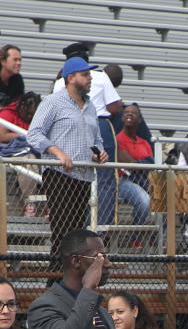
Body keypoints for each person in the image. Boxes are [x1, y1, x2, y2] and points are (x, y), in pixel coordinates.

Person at [26, 56, 107, 247]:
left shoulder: (91, 107)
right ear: (71, 77)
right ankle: (56, 276)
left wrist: (100, 153)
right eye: (85, 74)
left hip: (84, 176)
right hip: (59, 174)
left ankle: (69, 275)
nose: (90, 78)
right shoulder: (52, 102)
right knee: (62, 230)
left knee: (77, 232)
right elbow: (34, 134)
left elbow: (97, 140)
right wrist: (57, 152)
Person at [54, 43, 126, 229]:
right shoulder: (101, 76)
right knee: (106, 178)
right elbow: (114, 106)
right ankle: (102, 225)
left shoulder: (60, 81)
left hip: (68, 128)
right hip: (99, 124)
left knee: (77, 175)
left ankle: (81, 225)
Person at [112, 102, 155, 240]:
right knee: (144, 201)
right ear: (122, 118)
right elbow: (128, 164)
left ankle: (158, 239)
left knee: (167, 202)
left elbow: (151, 164)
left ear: (140, 120)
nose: (129, 114)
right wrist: (142, 163)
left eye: (134, 113)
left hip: (143, 180)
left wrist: (137, 164)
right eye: (126, 112)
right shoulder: (117, 139)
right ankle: (135, 237)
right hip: (123, 181)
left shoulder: (144, 143)